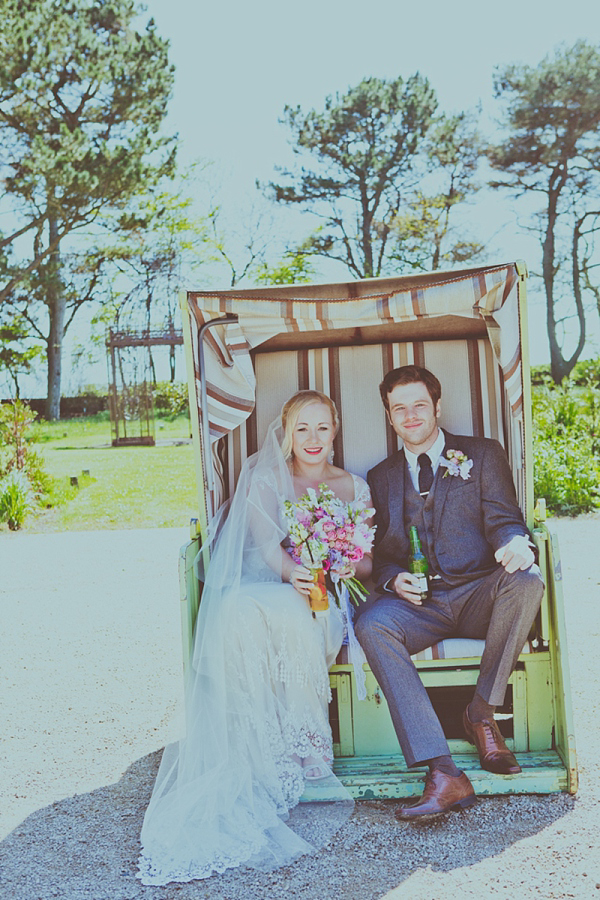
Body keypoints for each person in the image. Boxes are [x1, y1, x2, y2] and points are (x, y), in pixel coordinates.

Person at [137, 390, 373, 885]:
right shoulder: (266, 477)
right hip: (276, 579)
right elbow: (267, 545)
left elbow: (368, 560)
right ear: (286, 432)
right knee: (238, 609)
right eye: (301, 429)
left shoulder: (353, 485)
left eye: (322, 428)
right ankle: (266, 748)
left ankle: (306, 747)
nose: (312, 439)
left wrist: (339, 561)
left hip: (327, 596)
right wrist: (296, 573)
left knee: (295, 614)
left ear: (336, 430)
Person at [355, 365, 544, 819]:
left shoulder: (481, 454)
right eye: (399, 408)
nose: (411, 415)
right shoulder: (379, 478)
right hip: (423, 606)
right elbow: (380, 557)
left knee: (527, 580)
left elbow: (505, 520)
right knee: (372, 624)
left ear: (437, 407)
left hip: (481, 592)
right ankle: (443, 772)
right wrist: (391, 580)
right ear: (389, 415)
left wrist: (516, 542)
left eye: (420, 404)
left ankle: (481, 712)